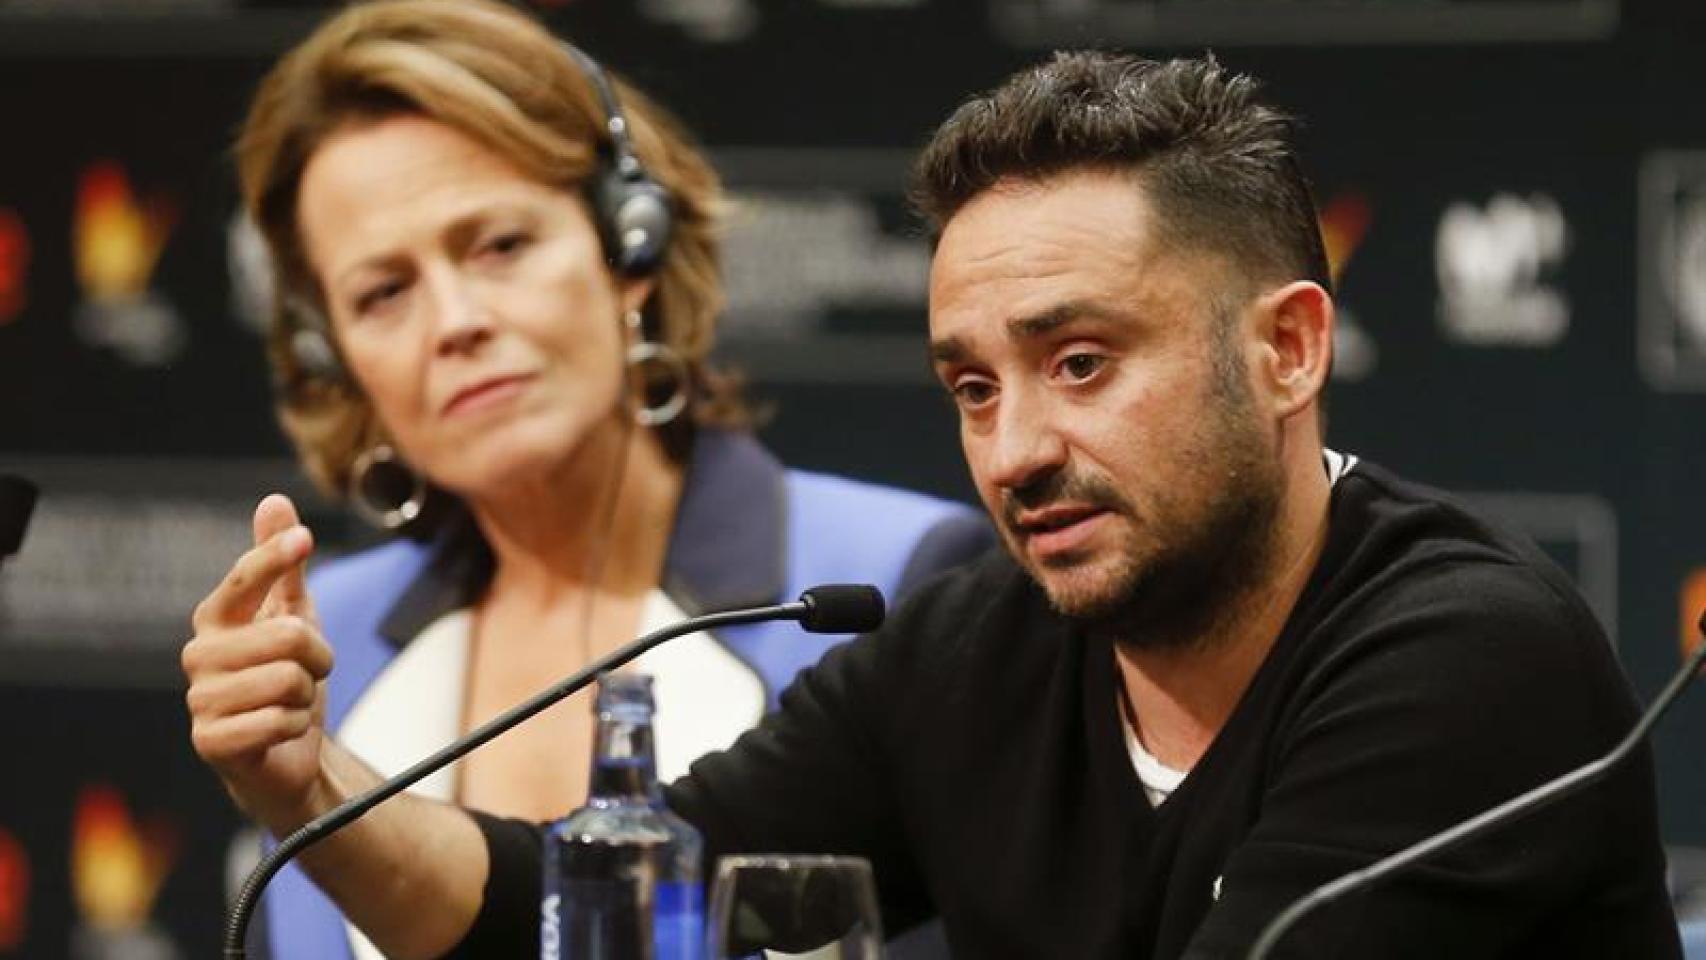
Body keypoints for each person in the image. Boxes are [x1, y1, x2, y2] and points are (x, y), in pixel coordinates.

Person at [187, 49, 1684, 959]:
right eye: (971, 388)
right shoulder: (971, 648)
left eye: (1080, 361)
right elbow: (587, 920)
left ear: (1285, 350)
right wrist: (312, 790)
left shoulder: (1465, 660)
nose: (1015, 446)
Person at [179, 2, 991, 958]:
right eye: (382, 292)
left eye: (499, 246)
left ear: (629, 250)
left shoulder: (890, 582)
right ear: (335, 358)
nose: (456, 321)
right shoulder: (321, 647)